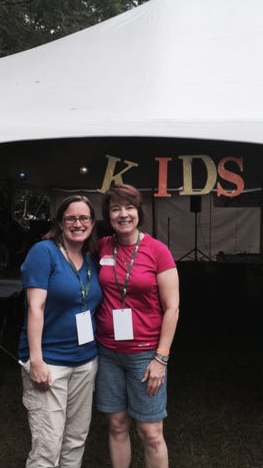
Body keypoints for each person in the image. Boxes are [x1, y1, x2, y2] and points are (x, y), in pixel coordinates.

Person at [95, 184, 180, 468]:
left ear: (138, 212)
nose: (123, 214)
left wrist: (161, 357)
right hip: (108, 353)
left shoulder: (158, 251)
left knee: (151, 432)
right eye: (115, 208)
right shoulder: (103, 247)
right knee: (117, 425)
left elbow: (172, 309)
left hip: (146, 355)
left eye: (129, 207)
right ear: (108, 215)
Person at [18, 195, 102, 467]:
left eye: (84, 218)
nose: (78, 223)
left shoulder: (89, 259)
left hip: (85, 360)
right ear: (60, 222)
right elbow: (36, 308)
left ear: (92, 222)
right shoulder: (45, 252)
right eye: (71, 218)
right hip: (51, 362)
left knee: (76, 437)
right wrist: (37, 361)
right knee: (48, 443)